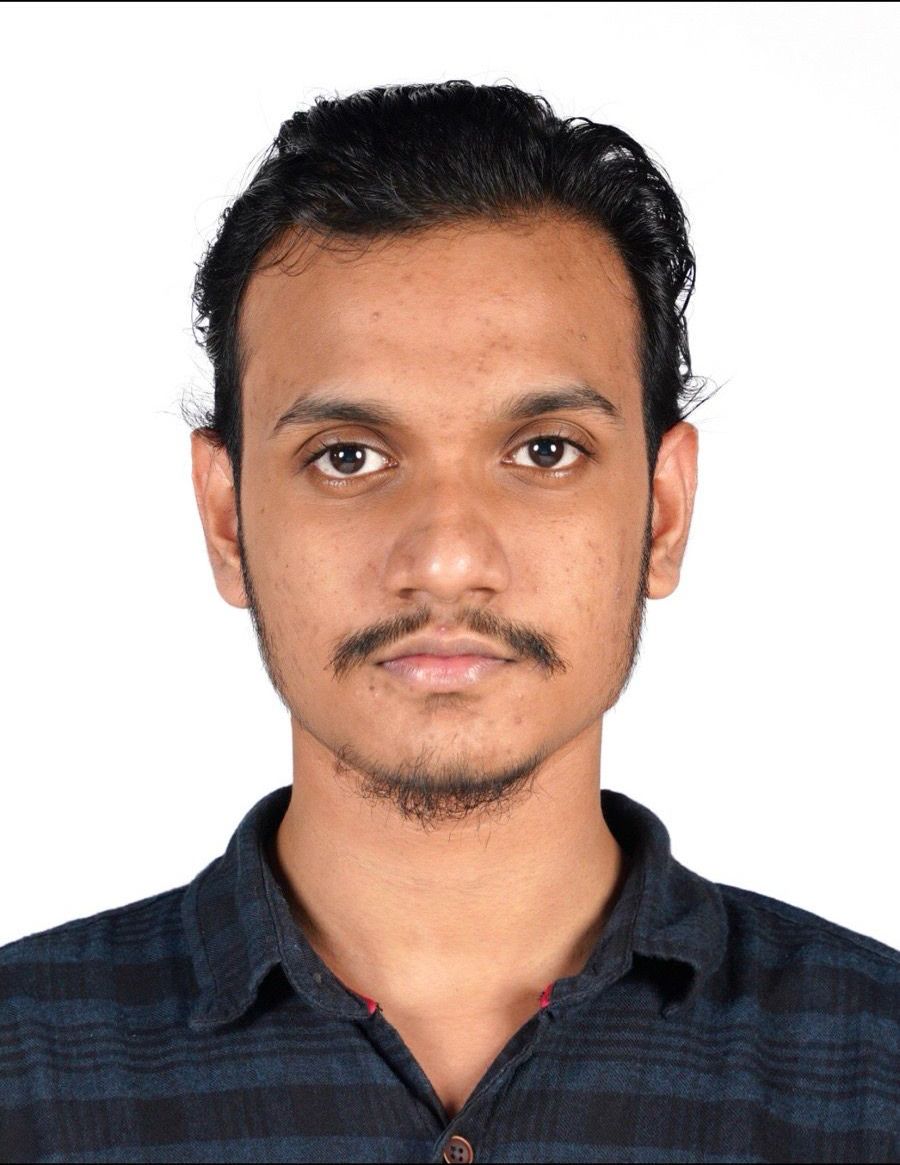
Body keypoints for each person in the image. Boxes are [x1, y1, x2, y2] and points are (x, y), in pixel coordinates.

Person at [1, 81, 897, 1165]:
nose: (445, 557)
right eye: (348, 457)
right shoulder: (22, 1068)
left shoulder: (875, 1064)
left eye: (545, 451)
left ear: (662, 513)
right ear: (227, 518)